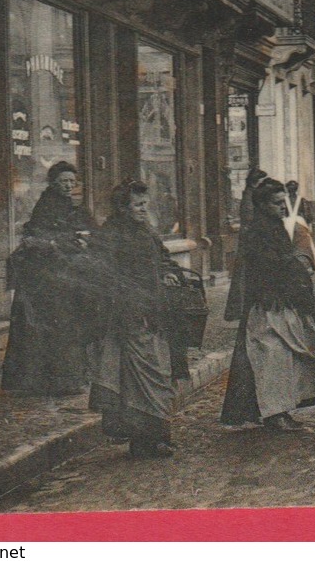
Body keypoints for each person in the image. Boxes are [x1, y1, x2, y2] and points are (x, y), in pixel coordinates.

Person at [84, 181, 189, 459]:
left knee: (158, 374)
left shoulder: (147, 231)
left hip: (153, 314)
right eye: (139, 205)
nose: (145, 209)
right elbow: (105, 277)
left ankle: (156, 436)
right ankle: (144, 440)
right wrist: (130, 303)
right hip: (128, 316)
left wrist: (170, 272)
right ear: (122, 208)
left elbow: (163, 259)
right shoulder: (110, 235)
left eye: (146, 204)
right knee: (136, 381)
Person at [221, 179, 315, 430]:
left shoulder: (276, 227)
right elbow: (268, 267)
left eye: (285, 202)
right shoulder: (257, 232)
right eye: (277, 203)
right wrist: (295, 269)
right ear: (261, 205)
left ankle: (279, 409)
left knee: (283, 356)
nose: (284, 207)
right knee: (271, 358)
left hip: (281, 302)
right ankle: (274, 413)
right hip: (267, 305)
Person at [2, 161, 95, 397]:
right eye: (64, 181)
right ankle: (53, 382)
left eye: (72, 182)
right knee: (54, 328)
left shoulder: (76, 206)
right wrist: (67, 241)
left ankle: (72, 378)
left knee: (71, 326)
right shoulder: (46, 206)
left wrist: (87, 238)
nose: (68, 186)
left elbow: (92, 229)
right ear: (53, 183)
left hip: (69, 274)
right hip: (47, 279)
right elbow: (37, 238)